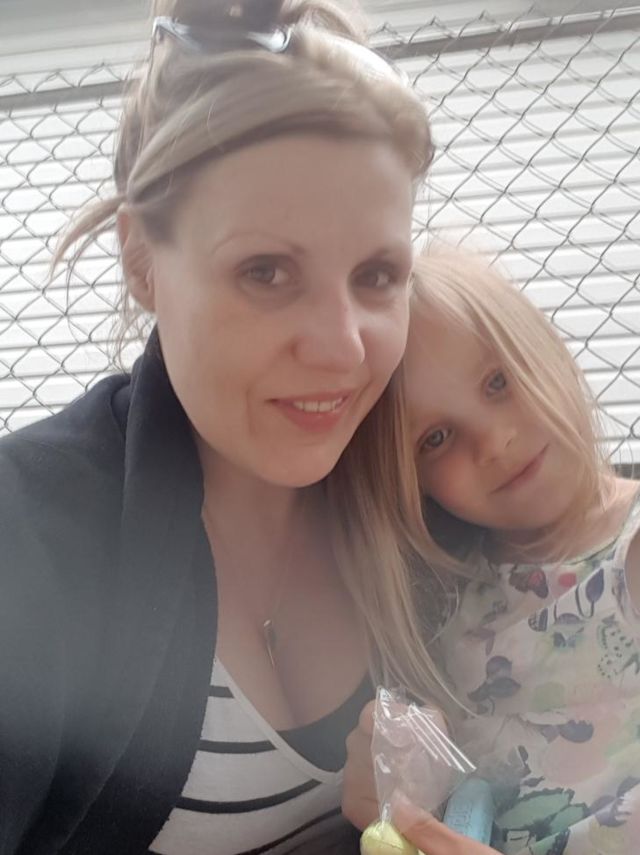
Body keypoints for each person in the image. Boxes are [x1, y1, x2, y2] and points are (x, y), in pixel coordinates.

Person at [0, 3, 452, 854]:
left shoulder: (423, 480)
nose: (343, 348)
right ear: (142, 261)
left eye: (377, 274)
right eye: (266, 271)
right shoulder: (31, 530)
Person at [342, 247, 640, 855]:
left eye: (498, 381)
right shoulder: (445, 604)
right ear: (412, 485)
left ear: (547, 349)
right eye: (436, 438)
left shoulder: (628, 552)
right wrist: (390, 783)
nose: (496, 441)